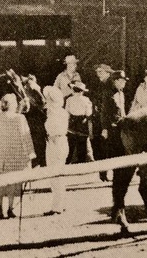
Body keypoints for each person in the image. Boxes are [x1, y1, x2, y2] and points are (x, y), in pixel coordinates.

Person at [0, 93, 35, 219]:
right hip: (14, 154)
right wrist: (30, 154)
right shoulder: (19, 118)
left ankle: (0, 210)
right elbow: (25, 137)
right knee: (12, 181)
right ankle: (10, 209)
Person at [43, 86, 69, 215]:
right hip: (58, 142)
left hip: (56, 143)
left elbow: (55, 130)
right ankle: (61, 203)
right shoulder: (60, 112)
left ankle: (57, 206)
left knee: (55, 175)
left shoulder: (56, 113)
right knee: (57, 175)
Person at [91, 64, 114, 181]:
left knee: (106, 148)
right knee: (100, 147)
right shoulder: (100, 84)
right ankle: (103, 173)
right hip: (99, 120)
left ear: (107, 73)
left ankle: (104, 173)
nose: (98, 73)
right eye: (97, 72)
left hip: (106, 121)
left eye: (101, 71)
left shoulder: (109, 85)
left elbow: (107, 107)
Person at [65, 81, 93, 164]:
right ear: (82, 91)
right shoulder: (86, 100)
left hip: (72, 123)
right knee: (82, 145)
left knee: (70, 145)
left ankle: (67, 162)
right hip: (82, 123)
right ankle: (81, 162)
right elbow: (88, 113)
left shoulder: (69, 99)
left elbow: (67, 113)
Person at [103, 70, 129, 159]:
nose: (124, 82)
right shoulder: (108, 94)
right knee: (112, 151)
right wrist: (105, 128)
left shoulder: (121, 93)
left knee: (121, 151)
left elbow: (123, 110)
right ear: (116, 81)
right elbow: (104, 112)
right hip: (112, 126)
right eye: (122, 81)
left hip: (122, 125)